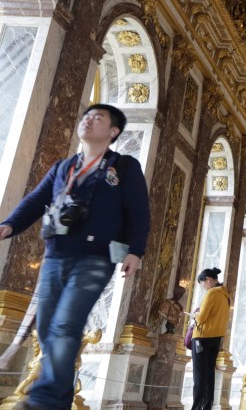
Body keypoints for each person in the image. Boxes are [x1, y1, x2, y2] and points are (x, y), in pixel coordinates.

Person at [0, 103, 150, 410]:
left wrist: (136, 250)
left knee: (66, 324)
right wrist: (9, 223)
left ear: (113, 132)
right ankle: (59, 400)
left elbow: (138, 211)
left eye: (99, 118)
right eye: (87, 116)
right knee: (45, 328)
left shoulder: (124, 167)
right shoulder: (63, 167)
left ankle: (42, 401)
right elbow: (35, 200)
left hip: (97, 257)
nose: (89, 120)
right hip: (56, 256)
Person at [192, 267, 231, 410]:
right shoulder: (225, 295)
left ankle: (196, 407)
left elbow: (202, 318)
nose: (203, 287)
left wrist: (195, 314)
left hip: (202, 337)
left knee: (199, 376)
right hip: (216, 339)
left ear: (208, 280)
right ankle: (206, 406)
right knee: (209, 374)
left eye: (202, 283)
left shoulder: (211, 293)